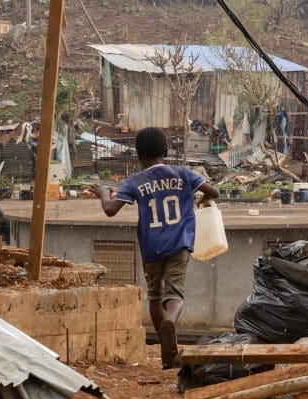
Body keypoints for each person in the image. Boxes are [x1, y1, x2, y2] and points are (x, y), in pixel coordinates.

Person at [90, 127, 219, 369]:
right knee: (175, 293)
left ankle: (166, 349)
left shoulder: (134, 182)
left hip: (151, 247)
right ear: (166, 150)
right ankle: (171, 321)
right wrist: (199, 201)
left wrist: (104, 193)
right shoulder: (183, 173)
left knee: (155, 295)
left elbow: (110, 210)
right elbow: (215, 192)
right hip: (179, 243)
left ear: (138, 155)